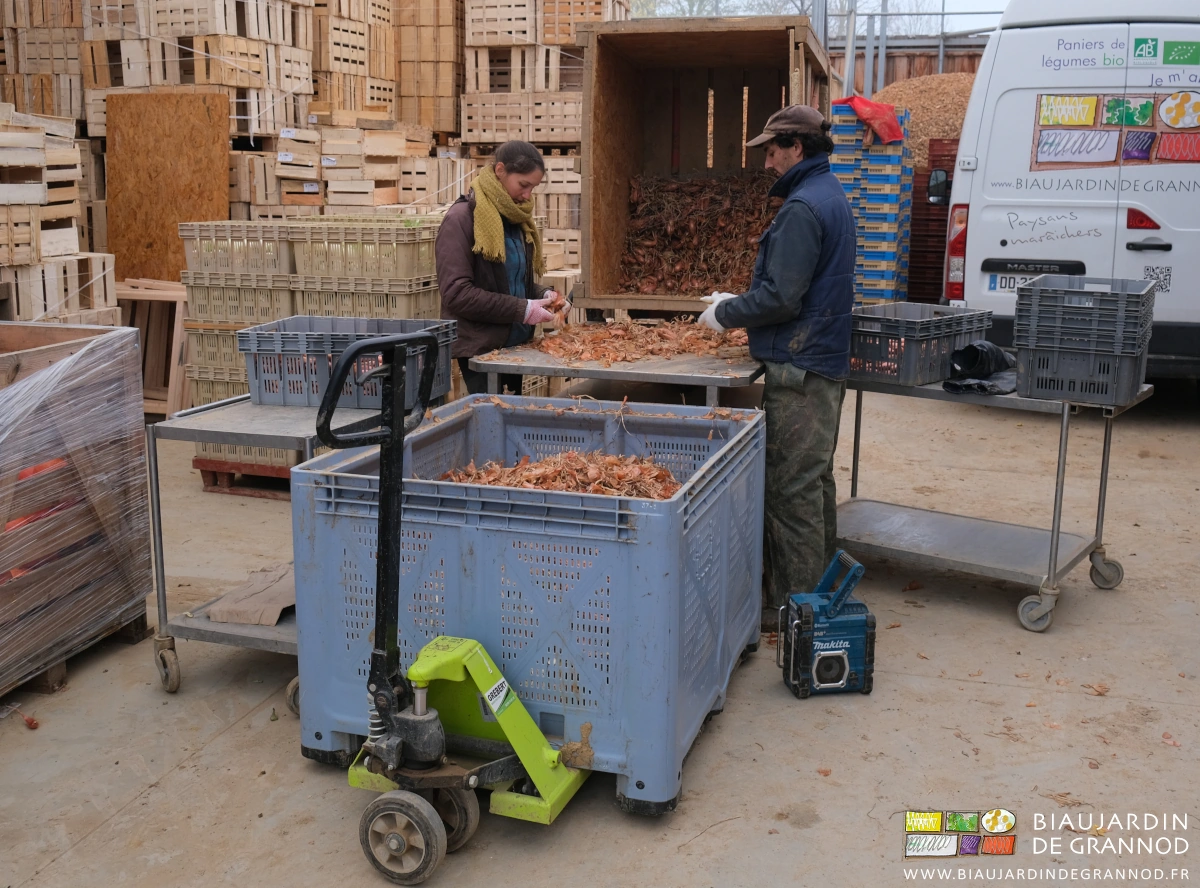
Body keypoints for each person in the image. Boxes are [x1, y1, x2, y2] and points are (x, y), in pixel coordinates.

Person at [696, 105, 856, 631]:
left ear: (796, 148)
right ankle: (822, 593)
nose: (766, 163)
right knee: (814, 482)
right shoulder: (829, 194)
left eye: (771, 151)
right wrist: (739, 299)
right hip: (821, 360)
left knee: (790, 492)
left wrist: (726, 314)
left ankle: (796, 610)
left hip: (800, 367)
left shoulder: (802, 208)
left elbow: (783, 297)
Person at [436, 140, 567, 395]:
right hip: (482, 349)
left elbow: (510, 281)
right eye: (523, 185)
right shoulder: (461, 219)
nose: (527, 195)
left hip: (515, 347)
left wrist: (545, 296)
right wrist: (522, 309)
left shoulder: (515, 219)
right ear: (500, 171)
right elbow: (456, 293)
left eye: (533, 188)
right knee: (491, 415)